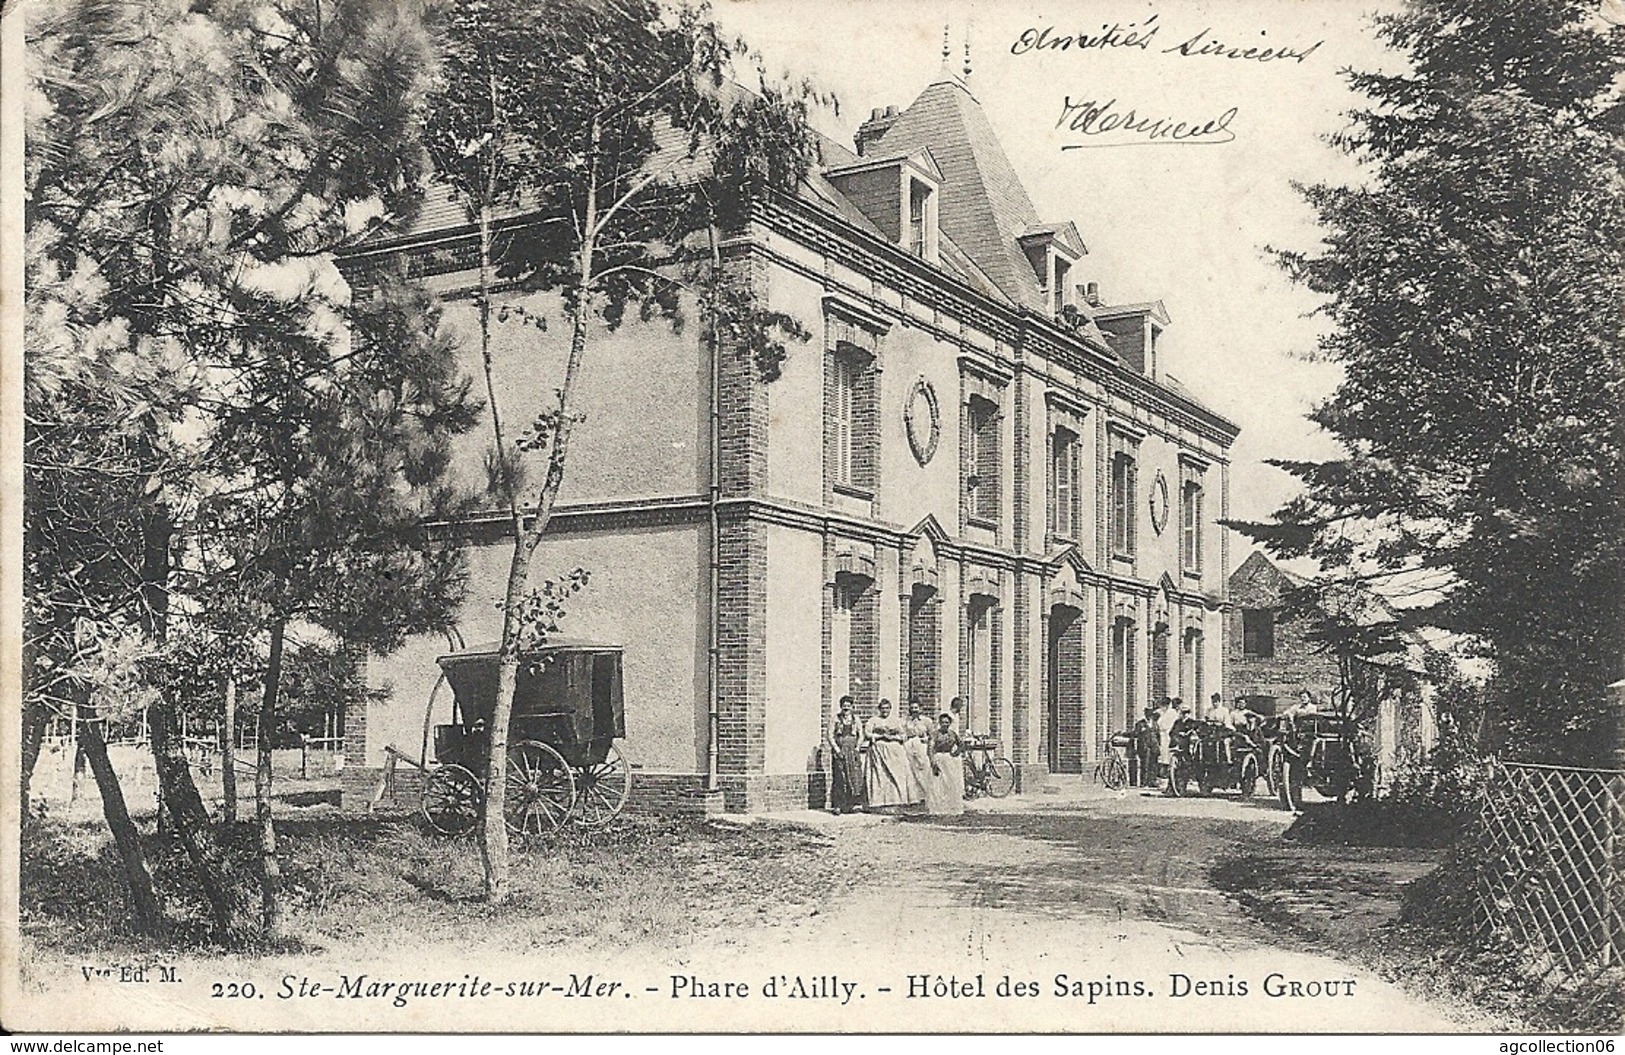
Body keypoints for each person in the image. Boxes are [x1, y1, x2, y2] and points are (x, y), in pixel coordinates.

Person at [863, 699, 919, 811]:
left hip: (894, 751)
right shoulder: (873, 720)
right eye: (883, 708)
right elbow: (867, 733)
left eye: (887, 708)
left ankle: (897, 800)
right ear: (879, 709)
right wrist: (880, 735)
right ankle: (879, 802)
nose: (885, 711)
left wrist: (893, 737)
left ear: (890, 709)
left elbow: (904, 736)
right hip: (879, 750)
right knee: (880, 775)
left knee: (896, 775)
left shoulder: (896, 721)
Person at [828, 696, 864, 814]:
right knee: (840, 777)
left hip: (852, 751)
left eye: (848, 706)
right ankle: (838, 805)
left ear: (852, 707)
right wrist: (837, 750)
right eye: (844, 706)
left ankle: (851, 805)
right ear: (841, 706)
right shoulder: (835, 719)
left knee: (853, 777)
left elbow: (861, 735)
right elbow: (830, 736)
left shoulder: (856, 719)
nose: (846, 708)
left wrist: (857, 748)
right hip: (840, 751)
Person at [924, 713, 965, 815]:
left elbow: (961, 745)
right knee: (938, 784)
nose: (945, 725)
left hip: (950, 760)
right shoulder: (934, 734)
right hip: (939, 759)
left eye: (947, 722)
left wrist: (956, 753)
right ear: (939, 723)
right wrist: (933, 763)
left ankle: (952, 808)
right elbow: (930, 749)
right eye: (943, 722)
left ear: (950, 723)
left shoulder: (953, 734)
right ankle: (938, 808)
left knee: (951, 783)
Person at [902, 698, 935, 814]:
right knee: (911, 772)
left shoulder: (927, 721)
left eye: (916, 708)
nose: (914, 710)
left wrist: (926, 741)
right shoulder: (906, 721)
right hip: (909, 747)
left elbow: (932, 736)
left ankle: (926, 799)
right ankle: (914, 800)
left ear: (920, 708)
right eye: (912, 708)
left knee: (923, 771)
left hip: (922, 746)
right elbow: (903, 734)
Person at [1132, 706, 1159, 787]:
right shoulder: (1140, 724)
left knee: (1153, 764)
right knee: (1145, 764)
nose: (1149, 715)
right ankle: (1144, 782)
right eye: (1147, 713)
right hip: (1144, 746)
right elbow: (1135, 734)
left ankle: (1152, 781)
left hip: (1154, 746)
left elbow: (1158, 735)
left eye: (1151, 713)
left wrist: (1158, 745)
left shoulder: (1155, 723)